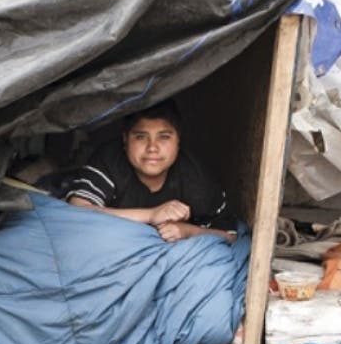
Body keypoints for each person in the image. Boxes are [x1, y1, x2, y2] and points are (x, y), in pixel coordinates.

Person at [65, 101, 237, 243]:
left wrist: (189, 231)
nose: (152, 148)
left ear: (179, 140)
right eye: (141, 137)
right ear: (125, 139)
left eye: (164, 137)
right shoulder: (110, 160)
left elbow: (230, 236)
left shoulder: (195, 177)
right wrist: (151, 214)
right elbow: (78, 211)